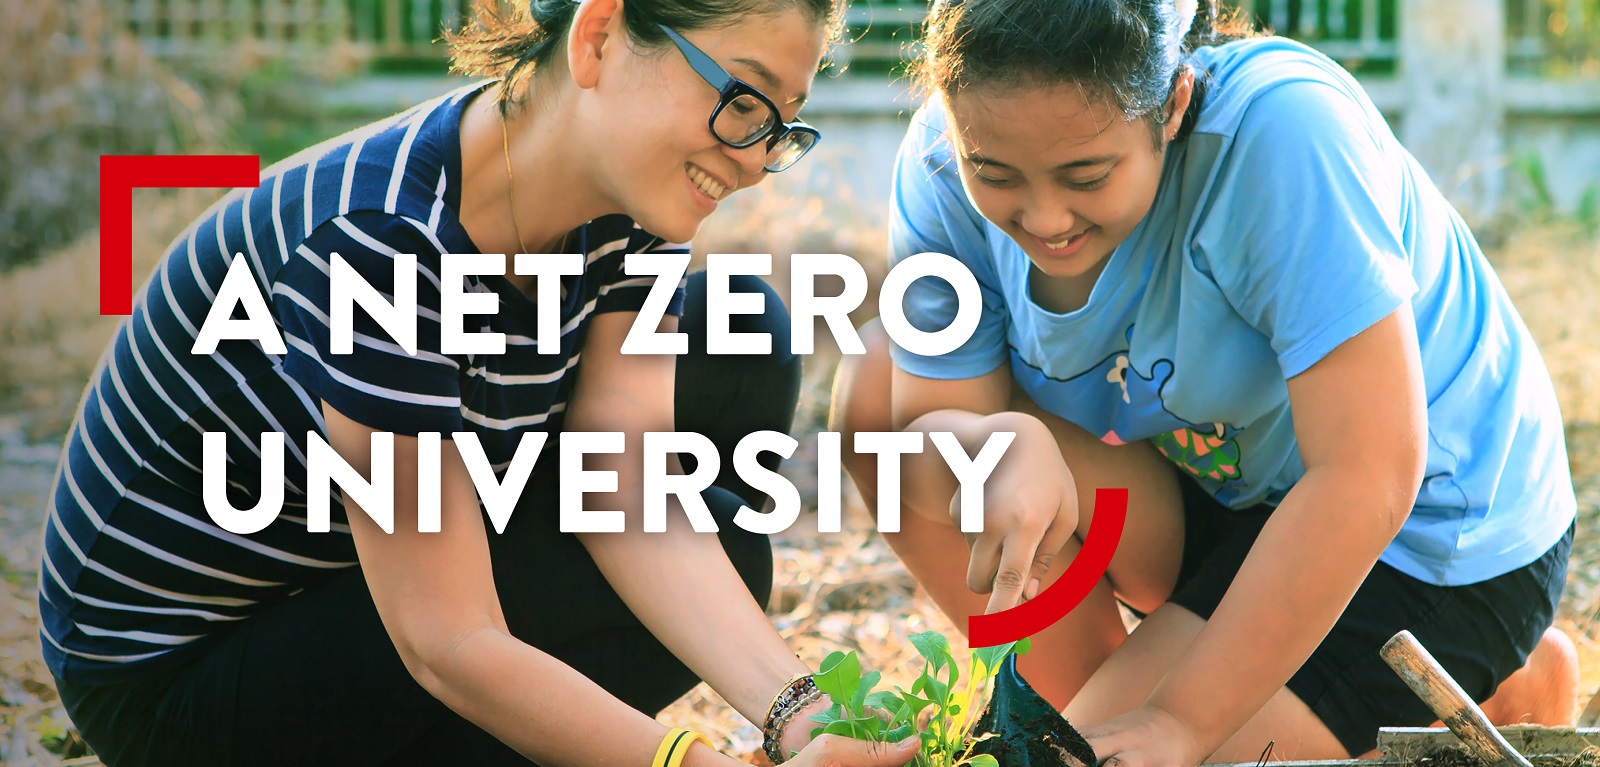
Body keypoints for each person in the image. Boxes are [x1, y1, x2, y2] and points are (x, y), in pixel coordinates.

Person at [38, 1, 928, 766]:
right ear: (599, 36)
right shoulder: (382, 241)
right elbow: (448, 639)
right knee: (721, 540)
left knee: (739, 347)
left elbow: (619, 483)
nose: (751, 156)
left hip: (351, 577)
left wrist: (800, 712)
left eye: (782, 126)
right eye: (742, 100)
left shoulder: (633, 203)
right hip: (181, 681)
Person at [830, 0, 1581, 763]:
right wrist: (993, 440)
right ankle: (1094, 707)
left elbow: (1368, 473)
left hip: (1421, 532)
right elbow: (931, 421)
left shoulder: (1285, 136)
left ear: (1174, 103)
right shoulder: (941, 153)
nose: (1044, 216)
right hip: (1217, 491)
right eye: (993, 173)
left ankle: (1478, 689)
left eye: (1085, 174)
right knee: (876, 386)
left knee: (1130, 744)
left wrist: (1182, 721)